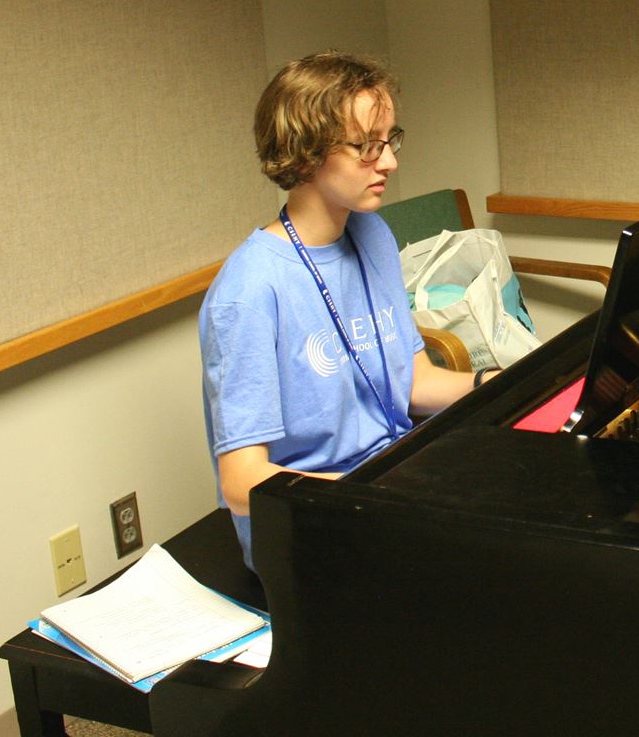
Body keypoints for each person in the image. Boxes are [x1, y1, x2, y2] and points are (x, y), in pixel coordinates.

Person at [198, 51, 487, 568]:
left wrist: (496, 385)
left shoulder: (371, 232)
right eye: (367, 146)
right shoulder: (249, 292)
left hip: (388, 482)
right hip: (315, 521)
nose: (389, 162)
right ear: (306, 154)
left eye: (390, 141)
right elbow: (241, 483)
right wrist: (374, 494)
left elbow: (414, 384)